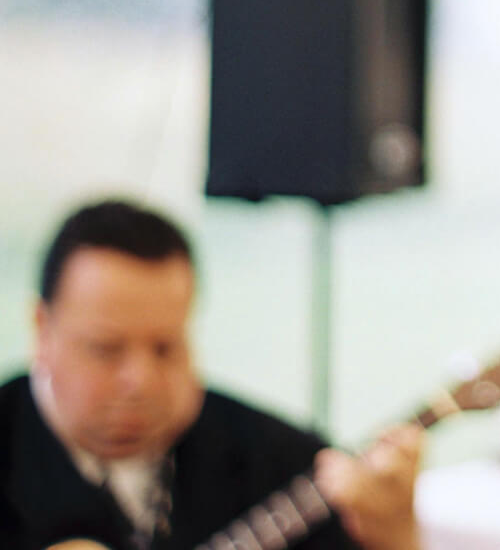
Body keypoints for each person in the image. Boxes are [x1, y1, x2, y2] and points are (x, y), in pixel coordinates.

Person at [0, 199, 424, 550]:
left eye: (165, 348)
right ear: (42, 329)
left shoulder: (279, 461)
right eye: (106, 349)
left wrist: (394, 538)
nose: (140, 381)